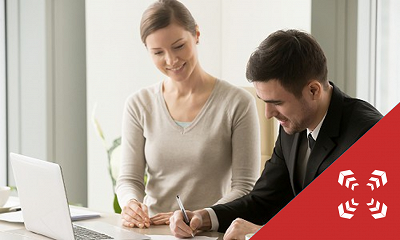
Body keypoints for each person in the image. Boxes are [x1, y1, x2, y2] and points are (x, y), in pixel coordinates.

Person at [169, 29, 383, 239]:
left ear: (313, 91)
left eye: (277, 103)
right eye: (264, 102)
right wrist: (205, 216)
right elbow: (264, 200)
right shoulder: (294, 124)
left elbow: (356, 226)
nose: (268, 114)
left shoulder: (369, 135)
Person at [115, 0, 261, 229]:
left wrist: (200, 217)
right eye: (158, 52)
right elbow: (129, 180)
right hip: (151, 231)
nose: (171, 60)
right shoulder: (138, 104)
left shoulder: (238, 103)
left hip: (209, 231)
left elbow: (245, 186)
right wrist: (131, 204)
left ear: (196, 34)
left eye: (179, 46)